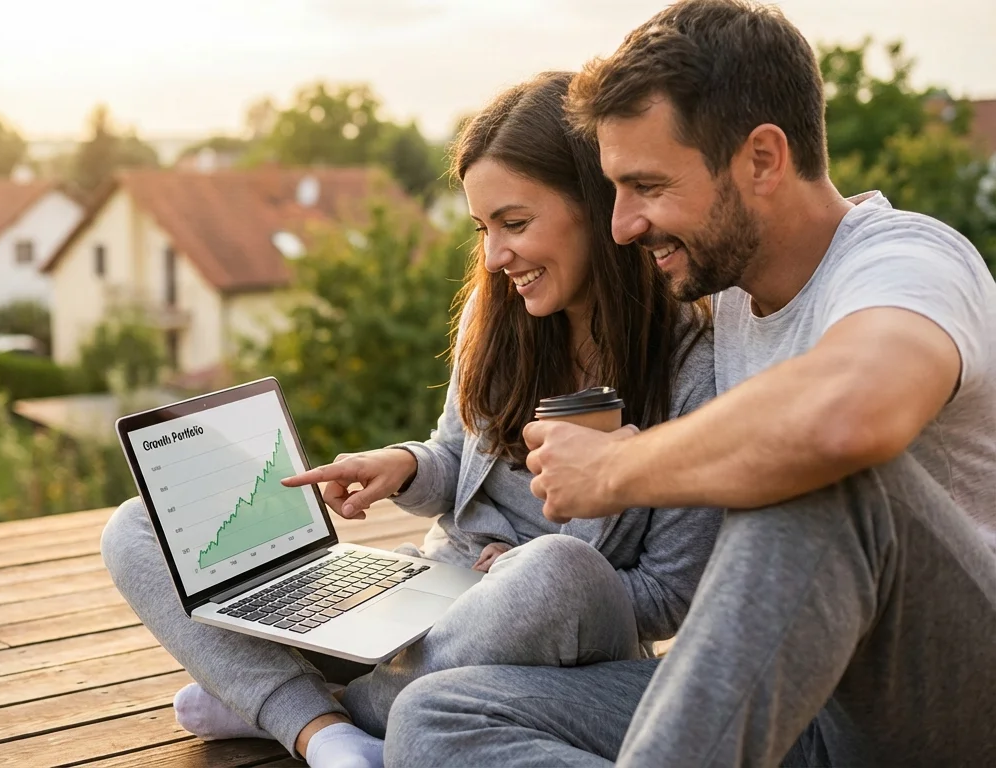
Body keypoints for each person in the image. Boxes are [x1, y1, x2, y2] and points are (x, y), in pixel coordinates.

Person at [384, 2, 996, 766]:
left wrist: (614, 468)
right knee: (436, 717)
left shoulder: (909, 262)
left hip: (949, 701)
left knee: (825, 478)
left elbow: (848, 416)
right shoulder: (729, 298)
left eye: (646, 185)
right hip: (796, 701)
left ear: (763, 159)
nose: (622, 225)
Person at [100, 71, 721, 768]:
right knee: (136, 528)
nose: (494, 256)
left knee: (557, 568)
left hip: (554, 626)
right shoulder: (502, 321)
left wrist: (514, 578)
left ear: (598, 206)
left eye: (515, 224)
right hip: (432, 592)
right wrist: (403, 466)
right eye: (483, 229)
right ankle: (326, 735)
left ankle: (285, 704)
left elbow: (666, 596)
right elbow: (453, 460)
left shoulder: (692, 365)